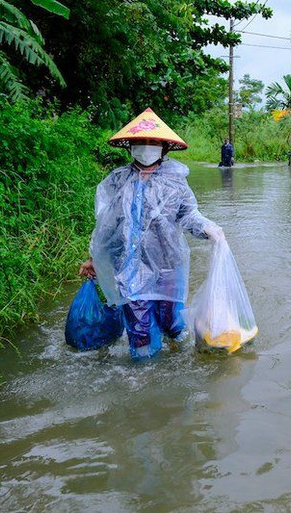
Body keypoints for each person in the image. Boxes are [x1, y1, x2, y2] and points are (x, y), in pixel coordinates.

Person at [79, 108, 224, 359]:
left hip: (169, 265)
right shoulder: (116, 181)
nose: (146, 147)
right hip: (129, 267)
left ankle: (177, 358)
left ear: (163, 148)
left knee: (171, 322)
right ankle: (144, 375)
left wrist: (207, 228)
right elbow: (105, 226)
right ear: (131, 146)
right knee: (140, 328)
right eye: (141, 142)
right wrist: (95, 258)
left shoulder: (176, 181)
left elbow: (188, 214)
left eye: (153, 142)